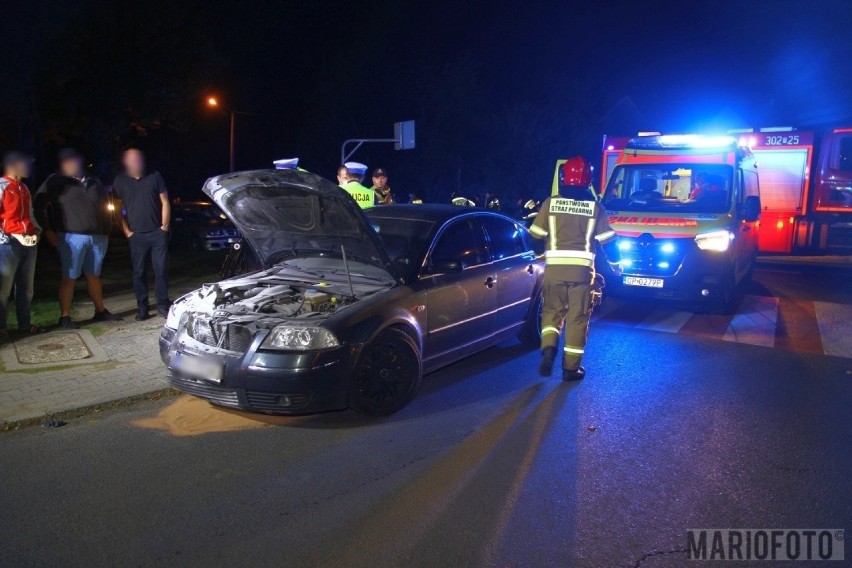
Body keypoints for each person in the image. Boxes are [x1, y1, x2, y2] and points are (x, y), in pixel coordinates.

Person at [528, 156, 620, 381]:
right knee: (577, 319)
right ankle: (570, 369)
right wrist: (616, 266)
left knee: (551, 312)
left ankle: (549, 346)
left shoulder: (550, 203)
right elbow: (608, 241)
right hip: (582, 274)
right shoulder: (595, 208)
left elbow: (535, 236)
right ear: (587, 180)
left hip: (554, 271)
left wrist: (542, 255)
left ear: (563, 178)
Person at [35, 149, 122, 329]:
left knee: (94, 275)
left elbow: (106, 205)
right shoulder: (56, 181)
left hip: (97, 237)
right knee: (69, 277)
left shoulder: (94, 181)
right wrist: (48, 230)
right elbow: (38, 205)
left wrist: (107, 231)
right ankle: (65, 317)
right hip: (70, 237)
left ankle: (100, 311)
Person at [113, 148, 171, 320]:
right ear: (126, 162)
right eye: (132, 159)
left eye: (139, 159)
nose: (136, 162)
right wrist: (126, 231)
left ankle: (162, 304)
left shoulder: (154, 176)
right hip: (136, 234)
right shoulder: (120, 181)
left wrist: (164, 226)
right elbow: (117, 208)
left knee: (160, 269)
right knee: (139, 272)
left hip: (157, 233)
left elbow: (165, 200)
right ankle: (142, 307)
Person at [0, 151, 45, 338]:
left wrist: (37, 230)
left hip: (29, 244)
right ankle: (1, 328)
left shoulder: (24, 188)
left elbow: (30, 214)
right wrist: (10, 236)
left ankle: (24, 325)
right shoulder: (1, 186)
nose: (29, 167)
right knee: (3, 289)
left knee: (26, 288)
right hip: (7, 245)